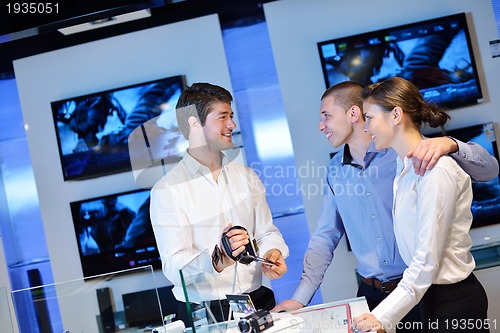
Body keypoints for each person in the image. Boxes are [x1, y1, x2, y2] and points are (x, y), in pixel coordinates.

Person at [272, 81, 498, 331]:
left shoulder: (417, 158)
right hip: (375, 294)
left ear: (354, 114)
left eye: (326, 115)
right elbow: (325, 236)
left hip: (422, 289)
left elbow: (488, 170)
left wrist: (452, 143)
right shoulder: (339, 170)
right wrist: (300, 297)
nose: (320, 126)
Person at [353, 76, 489, 333]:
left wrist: (381, 316)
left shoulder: (435, 170)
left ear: (395, 115)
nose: (365, 127)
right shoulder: (401, 164)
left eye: (369, 117)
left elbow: (426, 260)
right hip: (425, 296)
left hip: (453, 302)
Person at [150, 82, 289, 327]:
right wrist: (216, 260)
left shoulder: (247, 176)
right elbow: (173, 267)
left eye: (231, 116)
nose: (232, 125)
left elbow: (267, 232)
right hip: (203, 313)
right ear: (194, 122)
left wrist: (271, 252)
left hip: (257, 301)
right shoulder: (166, 190)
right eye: (223, 117)